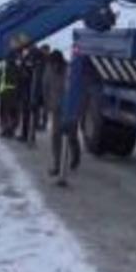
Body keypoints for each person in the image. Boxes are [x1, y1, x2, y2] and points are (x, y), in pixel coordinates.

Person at [43, 50, 81, 180]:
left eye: (56, 64)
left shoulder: (69, 71)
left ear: (60, 62)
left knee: (71, 136)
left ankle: (75, 157)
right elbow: (45, 87)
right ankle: (57, 164)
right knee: (55, 136)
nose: (54, 67)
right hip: (56, 109)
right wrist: (47, 104)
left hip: (69, 109)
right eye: (52, 64)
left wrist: (76, 108)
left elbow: (76, 90)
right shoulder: (48, 71)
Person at [0, 52, 20, 138]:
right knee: (13, 112)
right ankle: (11, 129)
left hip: (4, 93)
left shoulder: (2, 68)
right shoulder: (18, 68)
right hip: (14, 94)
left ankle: (5, 129)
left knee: (4, 112)